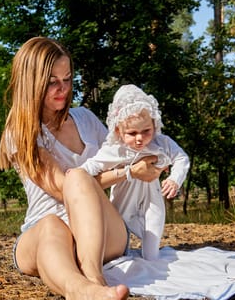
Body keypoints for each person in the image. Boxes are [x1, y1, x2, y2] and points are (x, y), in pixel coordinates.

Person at [0, 37, 163, 300]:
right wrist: (128, 172)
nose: (63, 89)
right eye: (51, 82)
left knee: (79, 177)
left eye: (67, 78)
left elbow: (122, 156)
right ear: (31, 83)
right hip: (47, 233)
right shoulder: (21, 131)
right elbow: (63, 188)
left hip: (102, 232)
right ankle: (83, 292)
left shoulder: (85, 118)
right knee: (54, 216)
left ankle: (93, 279)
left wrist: (146, 163)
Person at [81, 84, 190, 260]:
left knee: (153, 232)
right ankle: (119, 257)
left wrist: (175, 179)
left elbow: (181, 158)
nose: (140, 138)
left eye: (146, 131)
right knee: (120, 238)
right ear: (118, 131)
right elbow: (92, 166)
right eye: (132, 133)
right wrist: (75, 175)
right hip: (123, 201)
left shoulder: (161, 143)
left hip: (152, 198)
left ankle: (151, 260)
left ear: (154, 124)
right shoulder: (115, 149)